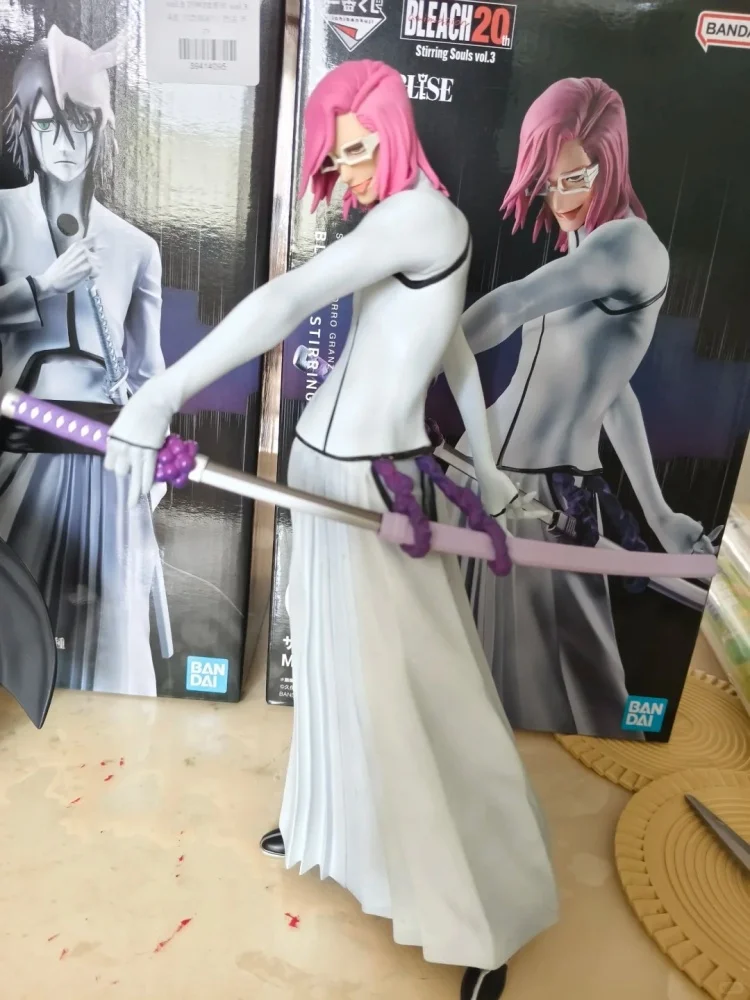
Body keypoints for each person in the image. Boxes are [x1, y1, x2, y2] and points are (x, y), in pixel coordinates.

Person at [102, 61, 558, 999]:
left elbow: (287, 302)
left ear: (395, 130)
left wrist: (162, 391)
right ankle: (328, 830)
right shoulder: (404, 220)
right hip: (322, 468)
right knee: (332, 664)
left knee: (417, 686)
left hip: (372, 483)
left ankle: (483, 915)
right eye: (336, 157)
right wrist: (486, 459)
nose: (347, 171)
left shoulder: (421, 219)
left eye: (358, 149)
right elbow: (451, 342)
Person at [453, 77, 714, 737]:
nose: (560, 198)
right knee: (466, 670)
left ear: (612, 158)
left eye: (575, 178)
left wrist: (414, 362)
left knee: (578, 695)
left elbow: (512, 304)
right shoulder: (583, 243)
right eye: (548, 181)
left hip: (544, 501)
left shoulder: (630, 247)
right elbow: (611, 390)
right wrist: (657, 510)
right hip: (477, 474)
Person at [0, 26, 169, 695]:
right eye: (46, 126)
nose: (63, 144)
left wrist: (155, 459)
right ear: (25, 127)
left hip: (108, 453)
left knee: (112, 632)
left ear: (101, 128)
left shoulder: (135, 246)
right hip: (18, 446)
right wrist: (44, 287)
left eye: (78, 126)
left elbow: (152, 373)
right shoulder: (2, 218)